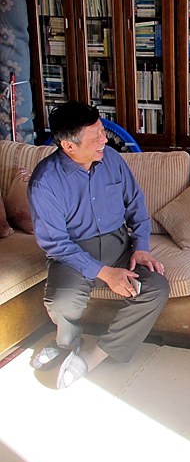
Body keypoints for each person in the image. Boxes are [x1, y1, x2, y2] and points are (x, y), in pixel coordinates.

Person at [28, 101, 169, 389]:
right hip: (75, 254)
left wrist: (141, 246)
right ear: (69, 146)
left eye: (102, 131)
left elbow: (136, 205)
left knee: (156, 288)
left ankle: (93, 356)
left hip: (120, 246)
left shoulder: (112, 159)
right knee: (61, 301)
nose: (104, 139)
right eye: (95, 136)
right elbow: (56, 244)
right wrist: (105, 273)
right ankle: (67, 344)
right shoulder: (45, 182)